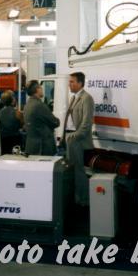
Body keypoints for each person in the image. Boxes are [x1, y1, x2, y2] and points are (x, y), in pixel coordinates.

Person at [63, 72, 95, 207]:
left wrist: (73, 136)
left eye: (72, 82)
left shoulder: (86, 98)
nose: (69, 84)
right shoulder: (73, 97)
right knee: (72, 170)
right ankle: (76, 198)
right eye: (69, 81)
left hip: (77, 140)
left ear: (80, 83)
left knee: (78, 171)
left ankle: (83, 200)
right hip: (70, 138)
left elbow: (86, 124)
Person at [23, 81, 60, 155]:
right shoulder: (39, 105)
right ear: (37, 89)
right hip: (42, 147)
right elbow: (55, 122)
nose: (42, 89)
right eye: (41, 87)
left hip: (32, 146)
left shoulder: (27, 105)